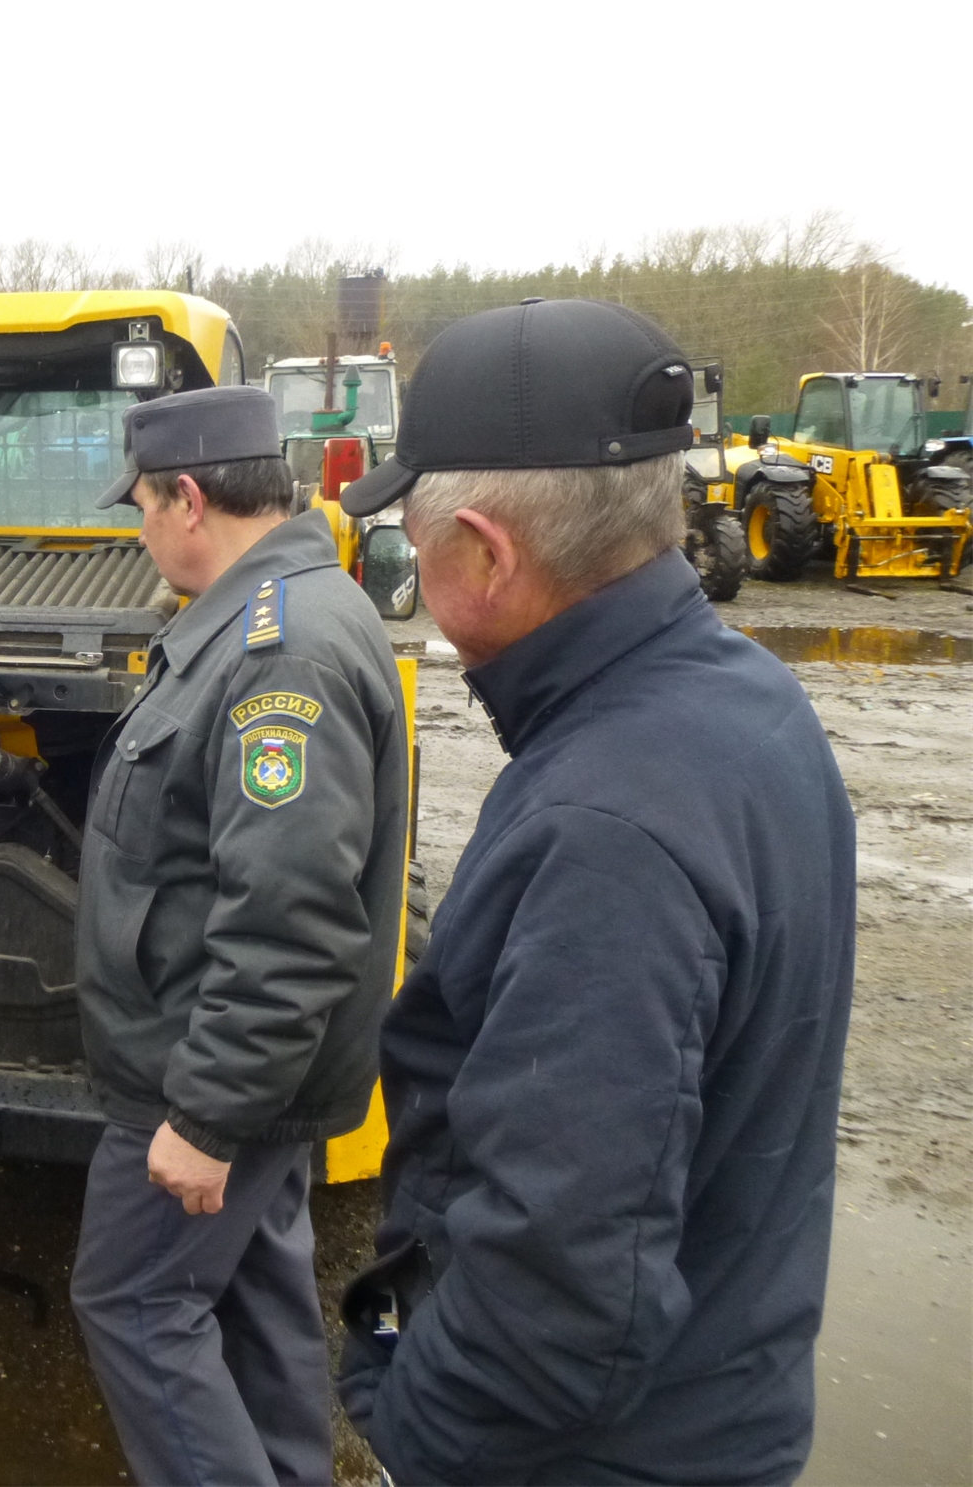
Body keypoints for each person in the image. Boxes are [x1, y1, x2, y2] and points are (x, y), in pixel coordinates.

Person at [335, 299, 855, 1484]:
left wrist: (409, 1423)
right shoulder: (741, 702)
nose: (409, 564)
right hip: (718, 1399)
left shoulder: (601, 831)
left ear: (484, 551)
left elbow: (557, 1289)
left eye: (414, 540)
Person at [69, 386, 410, 1486]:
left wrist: (206, 1116)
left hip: (205, 1075)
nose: (137, 530)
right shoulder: (268, 614)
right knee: (256, 1295)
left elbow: (290, 921)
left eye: (140, 506)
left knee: (133, 1303)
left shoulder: (278, 653)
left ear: (187, 496)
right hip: (241, 1073)